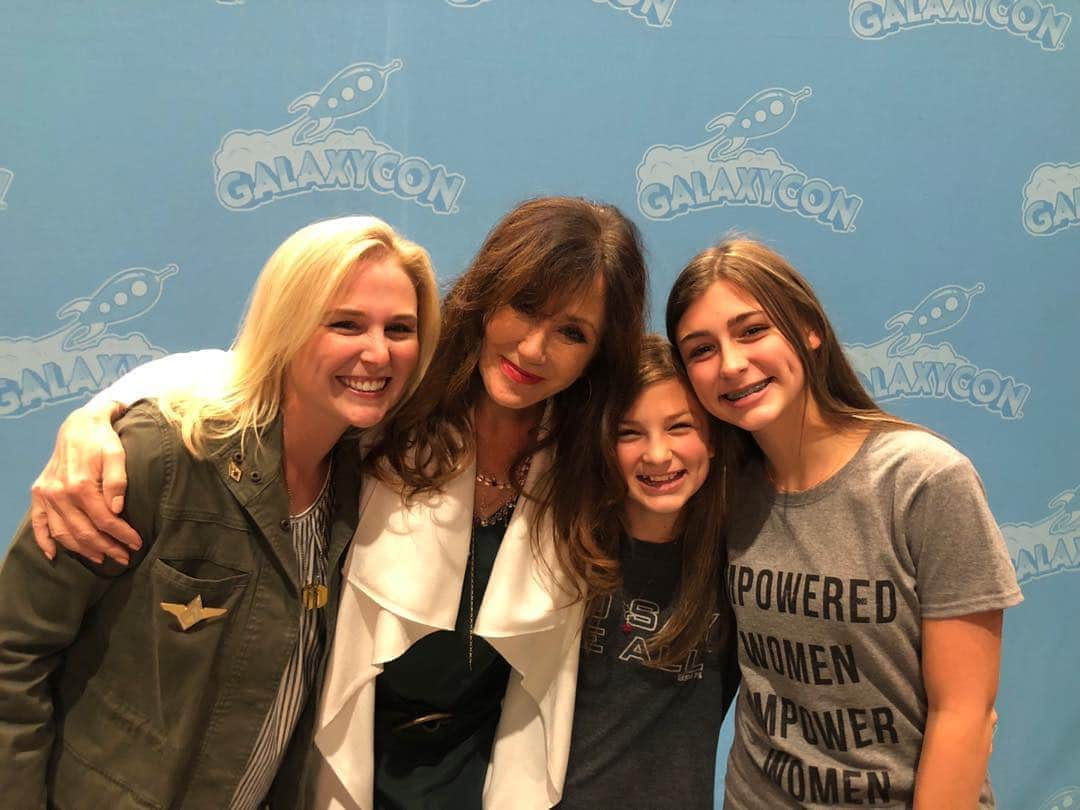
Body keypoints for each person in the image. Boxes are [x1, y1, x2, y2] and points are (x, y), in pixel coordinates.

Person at [25, 197, 649, 808]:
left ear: (599, 353)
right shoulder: (394, 407)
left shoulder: (588, 471)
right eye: (525, 307)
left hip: (471, 775)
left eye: (572, 333)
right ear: (487, 297)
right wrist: (98, 410)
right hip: (322, 767)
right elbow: (250, 372)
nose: (535, 349)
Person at [0, 216, 442, 808]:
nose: (377, 352)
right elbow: (12, 652)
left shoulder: (362, 485)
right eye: (346, 324)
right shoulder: (156, 455)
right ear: (287, 326)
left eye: (400, 329)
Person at [666, 238, 1023, 809]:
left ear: (809, 329)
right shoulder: (722, 492)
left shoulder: (924, 480)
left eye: (753, 330)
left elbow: (966, 714)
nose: (731, 363)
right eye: (701, 349)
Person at [558, 334, 739, 809]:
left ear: (715, 437)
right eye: (629, 432)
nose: (657, 455)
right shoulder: (562, 553)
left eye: (680, 427)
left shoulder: (740, 566)